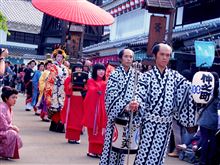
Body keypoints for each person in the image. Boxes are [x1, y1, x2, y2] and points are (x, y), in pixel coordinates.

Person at [130, 43, 196, 165]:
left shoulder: (175, 76)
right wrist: (136, 102)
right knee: (144, 153)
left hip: (165, 124)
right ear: (155, 55)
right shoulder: (146, 77)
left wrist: (200, 88)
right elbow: (139, 93)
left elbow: (188, 88)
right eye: (162, 54)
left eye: (168, 55)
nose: (165, 57)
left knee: (159, 154)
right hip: (148, 123)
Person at [100, 48, 139, 165]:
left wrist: (136, 103)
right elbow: (110, 95)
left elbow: (140, 93)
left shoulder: (137, 75)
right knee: (112, 146)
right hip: (116, 116)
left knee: (124, 147)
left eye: (131, 57)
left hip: (130, 116)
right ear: (121, 58)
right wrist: (125, 106)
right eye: (126, 56)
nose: (128, 59)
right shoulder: (115, 74)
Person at [82, 63, 107, 158]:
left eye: (103, 70)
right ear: (95, 71)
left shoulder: (106, 83)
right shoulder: (90, 81)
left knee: (102, 131)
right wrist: (98, 91)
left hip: (103, 111)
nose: (101, 72)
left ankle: (100, 151)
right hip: (93, 110)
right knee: (92, 130)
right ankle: (92, 151)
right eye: (99, 70)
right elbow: (90, 92)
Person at [61, 62, 88, 143]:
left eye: (80, 68)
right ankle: (70, 137)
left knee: (79, 117)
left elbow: (87, 88)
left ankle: (76, 137)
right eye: (77, 68)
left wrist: (85, 88)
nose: (79, 69)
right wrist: (70, 85)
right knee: (71, 117)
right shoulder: (69, 78)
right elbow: (66, 89)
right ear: (74, 69)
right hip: (72, 99)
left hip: (80, 100)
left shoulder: (85, 78)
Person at [197, 72, 219, 165]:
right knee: (213, 141)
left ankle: (202, 161)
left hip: (205, 120)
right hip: (215, 122)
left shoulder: (207, 89)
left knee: (204, 140)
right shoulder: (218, 91)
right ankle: (211, 161)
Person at [45, 49, 68, 133]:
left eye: (61, 57)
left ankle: (57, 125)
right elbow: (51, 79)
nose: (59, 58)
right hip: (55, 89)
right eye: (58, 56)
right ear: (55, 57)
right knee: (55, 108)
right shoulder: (53, 67)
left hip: (63, 90)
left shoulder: (65, 68)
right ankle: (55, 125)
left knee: (61, 108)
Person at [0, 86, 22, 159]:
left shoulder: (8, 107)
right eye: (13, 97)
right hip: (2, 130)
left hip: (3, 131)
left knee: (15, 135)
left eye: (16, 98)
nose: (15, 100)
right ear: (6, 98)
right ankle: (3, 152)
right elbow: (4, 125)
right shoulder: (2, 108)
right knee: (12, 133)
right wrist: (12, 127)